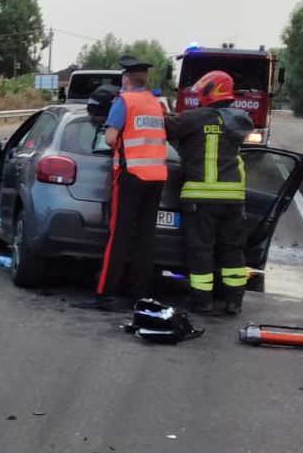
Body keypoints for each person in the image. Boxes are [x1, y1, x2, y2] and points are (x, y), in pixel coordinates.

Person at [82, 55, 168, 311]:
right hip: (157, 177)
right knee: (145, 238)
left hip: (131, 175)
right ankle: (140, 293)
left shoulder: (124, 101)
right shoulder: (155, 103)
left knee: (118, 237)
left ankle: (105, 294)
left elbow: (110, 139)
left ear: (125, 78)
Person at [165, 70, 253, 315]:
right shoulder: (238, 120)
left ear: (209, 91)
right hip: (233, 199)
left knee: (201, 250)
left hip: (201, 198)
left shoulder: (195, 118)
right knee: (233, 249)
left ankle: (201, 301)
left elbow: (166, 127)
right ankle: (234, 301)